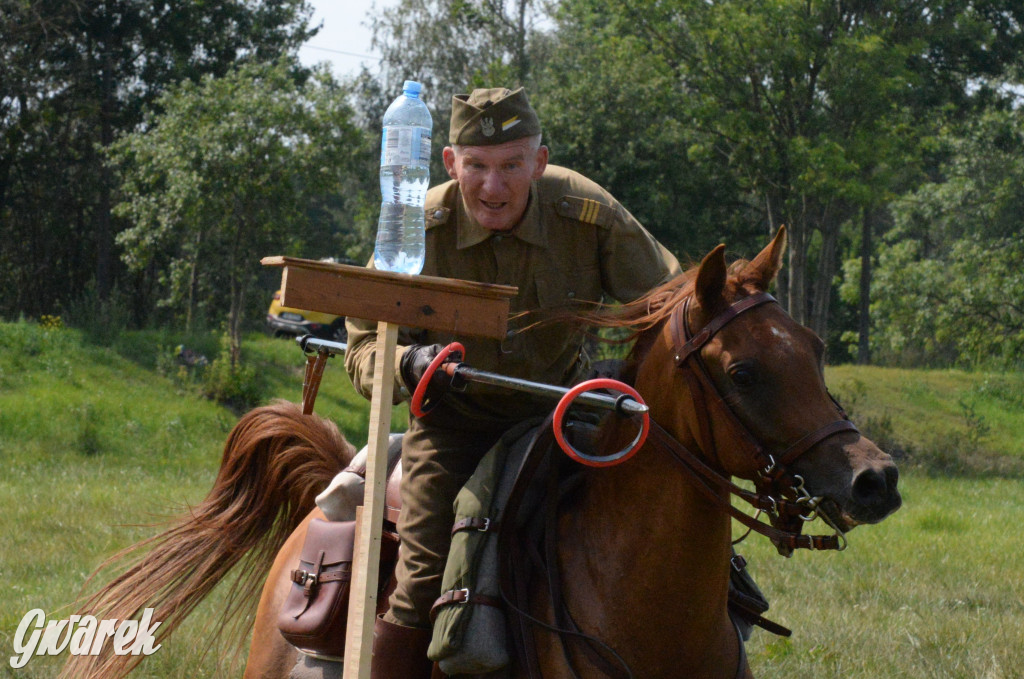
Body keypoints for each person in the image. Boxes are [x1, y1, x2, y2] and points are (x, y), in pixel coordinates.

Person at [344, 86, 681, 678]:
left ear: (540, 163)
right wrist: (406, 365)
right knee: (424, 575)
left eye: (510, 167)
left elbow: (671, 304)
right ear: (451, 163)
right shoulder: (416, 228)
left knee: (659, 531)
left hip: (565, 416)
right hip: (452, 425)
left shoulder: (587, 212)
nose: (492, 188)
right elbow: (364, 346)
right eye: (475, 166)